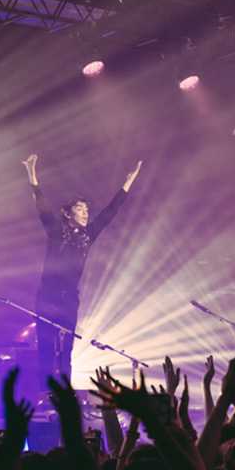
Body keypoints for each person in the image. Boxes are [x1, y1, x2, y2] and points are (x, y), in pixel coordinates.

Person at [22, 153, 143, 384]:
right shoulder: (57, 231)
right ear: (68, 213)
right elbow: (43, 208)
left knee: (66, 347)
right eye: (80, 209)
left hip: (69, 298)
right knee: (46, 345)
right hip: (47, 296)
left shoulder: (88, 235)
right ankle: (45, 390)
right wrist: (32, 175)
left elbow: (110, 212)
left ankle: (65, 389)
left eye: (87, 209)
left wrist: (128, 182)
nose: (86, 212)